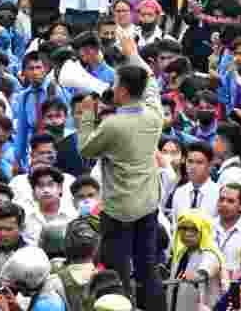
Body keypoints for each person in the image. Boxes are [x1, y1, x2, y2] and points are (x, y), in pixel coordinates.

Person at [78, 25, 164, 309]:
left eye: (115, 85)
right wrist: (133, 54)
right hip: (148, 203)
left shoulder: (113, 125)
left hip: (118, 209)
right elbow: (150, 82)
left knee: (117, 270)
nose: (111, 89)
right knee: (148, 266)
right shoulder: (154, 114)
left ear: (124, 92)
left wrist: (86, 115)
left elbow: (86, 148)